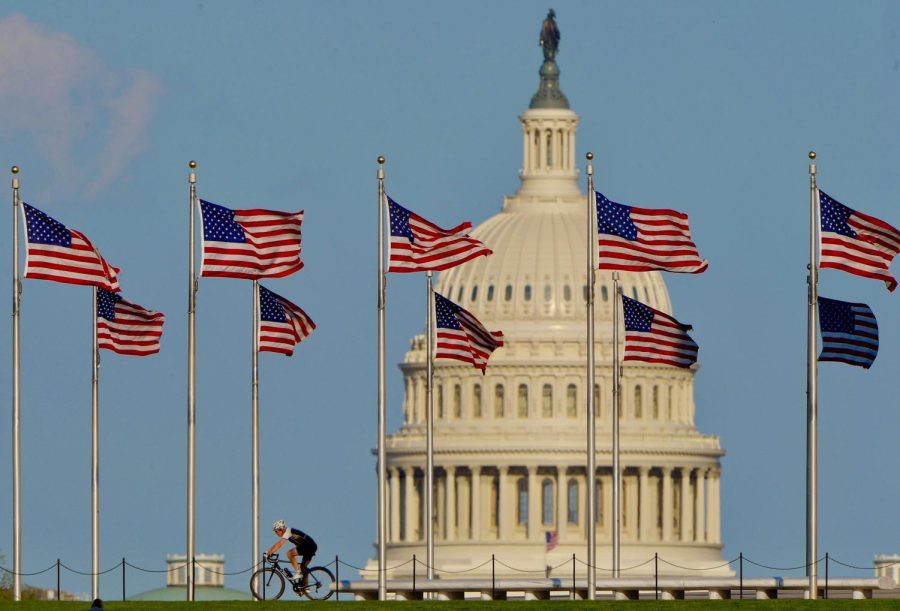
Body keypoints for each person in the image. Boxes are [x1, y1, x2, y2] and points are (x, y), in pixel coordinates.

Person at [266, 519, 317, 587]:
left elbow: (279, 544)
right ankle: (305, 588)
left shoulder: (288, 532)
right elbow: (277, 543)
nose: (276, 533)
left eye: (276, 531)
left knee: (289, 554)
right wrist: (268, 551)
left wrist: (270, 552)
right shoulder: (288, 531)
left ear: (281, 529)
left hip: (309, 547)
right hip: (310, 546)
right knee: (303, 567)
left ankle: (297, 572)